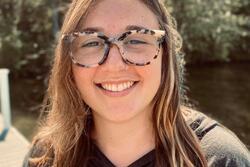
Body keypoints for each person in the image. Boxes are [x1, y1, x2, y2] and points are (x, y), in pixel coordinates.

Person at [23, 0, 250, 166]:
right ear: (68, 62)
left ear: (165, 54)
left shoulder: (221, 159)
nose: (114, 65)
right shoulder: (46, 157)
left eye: (136, 39)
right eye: (92, 43)